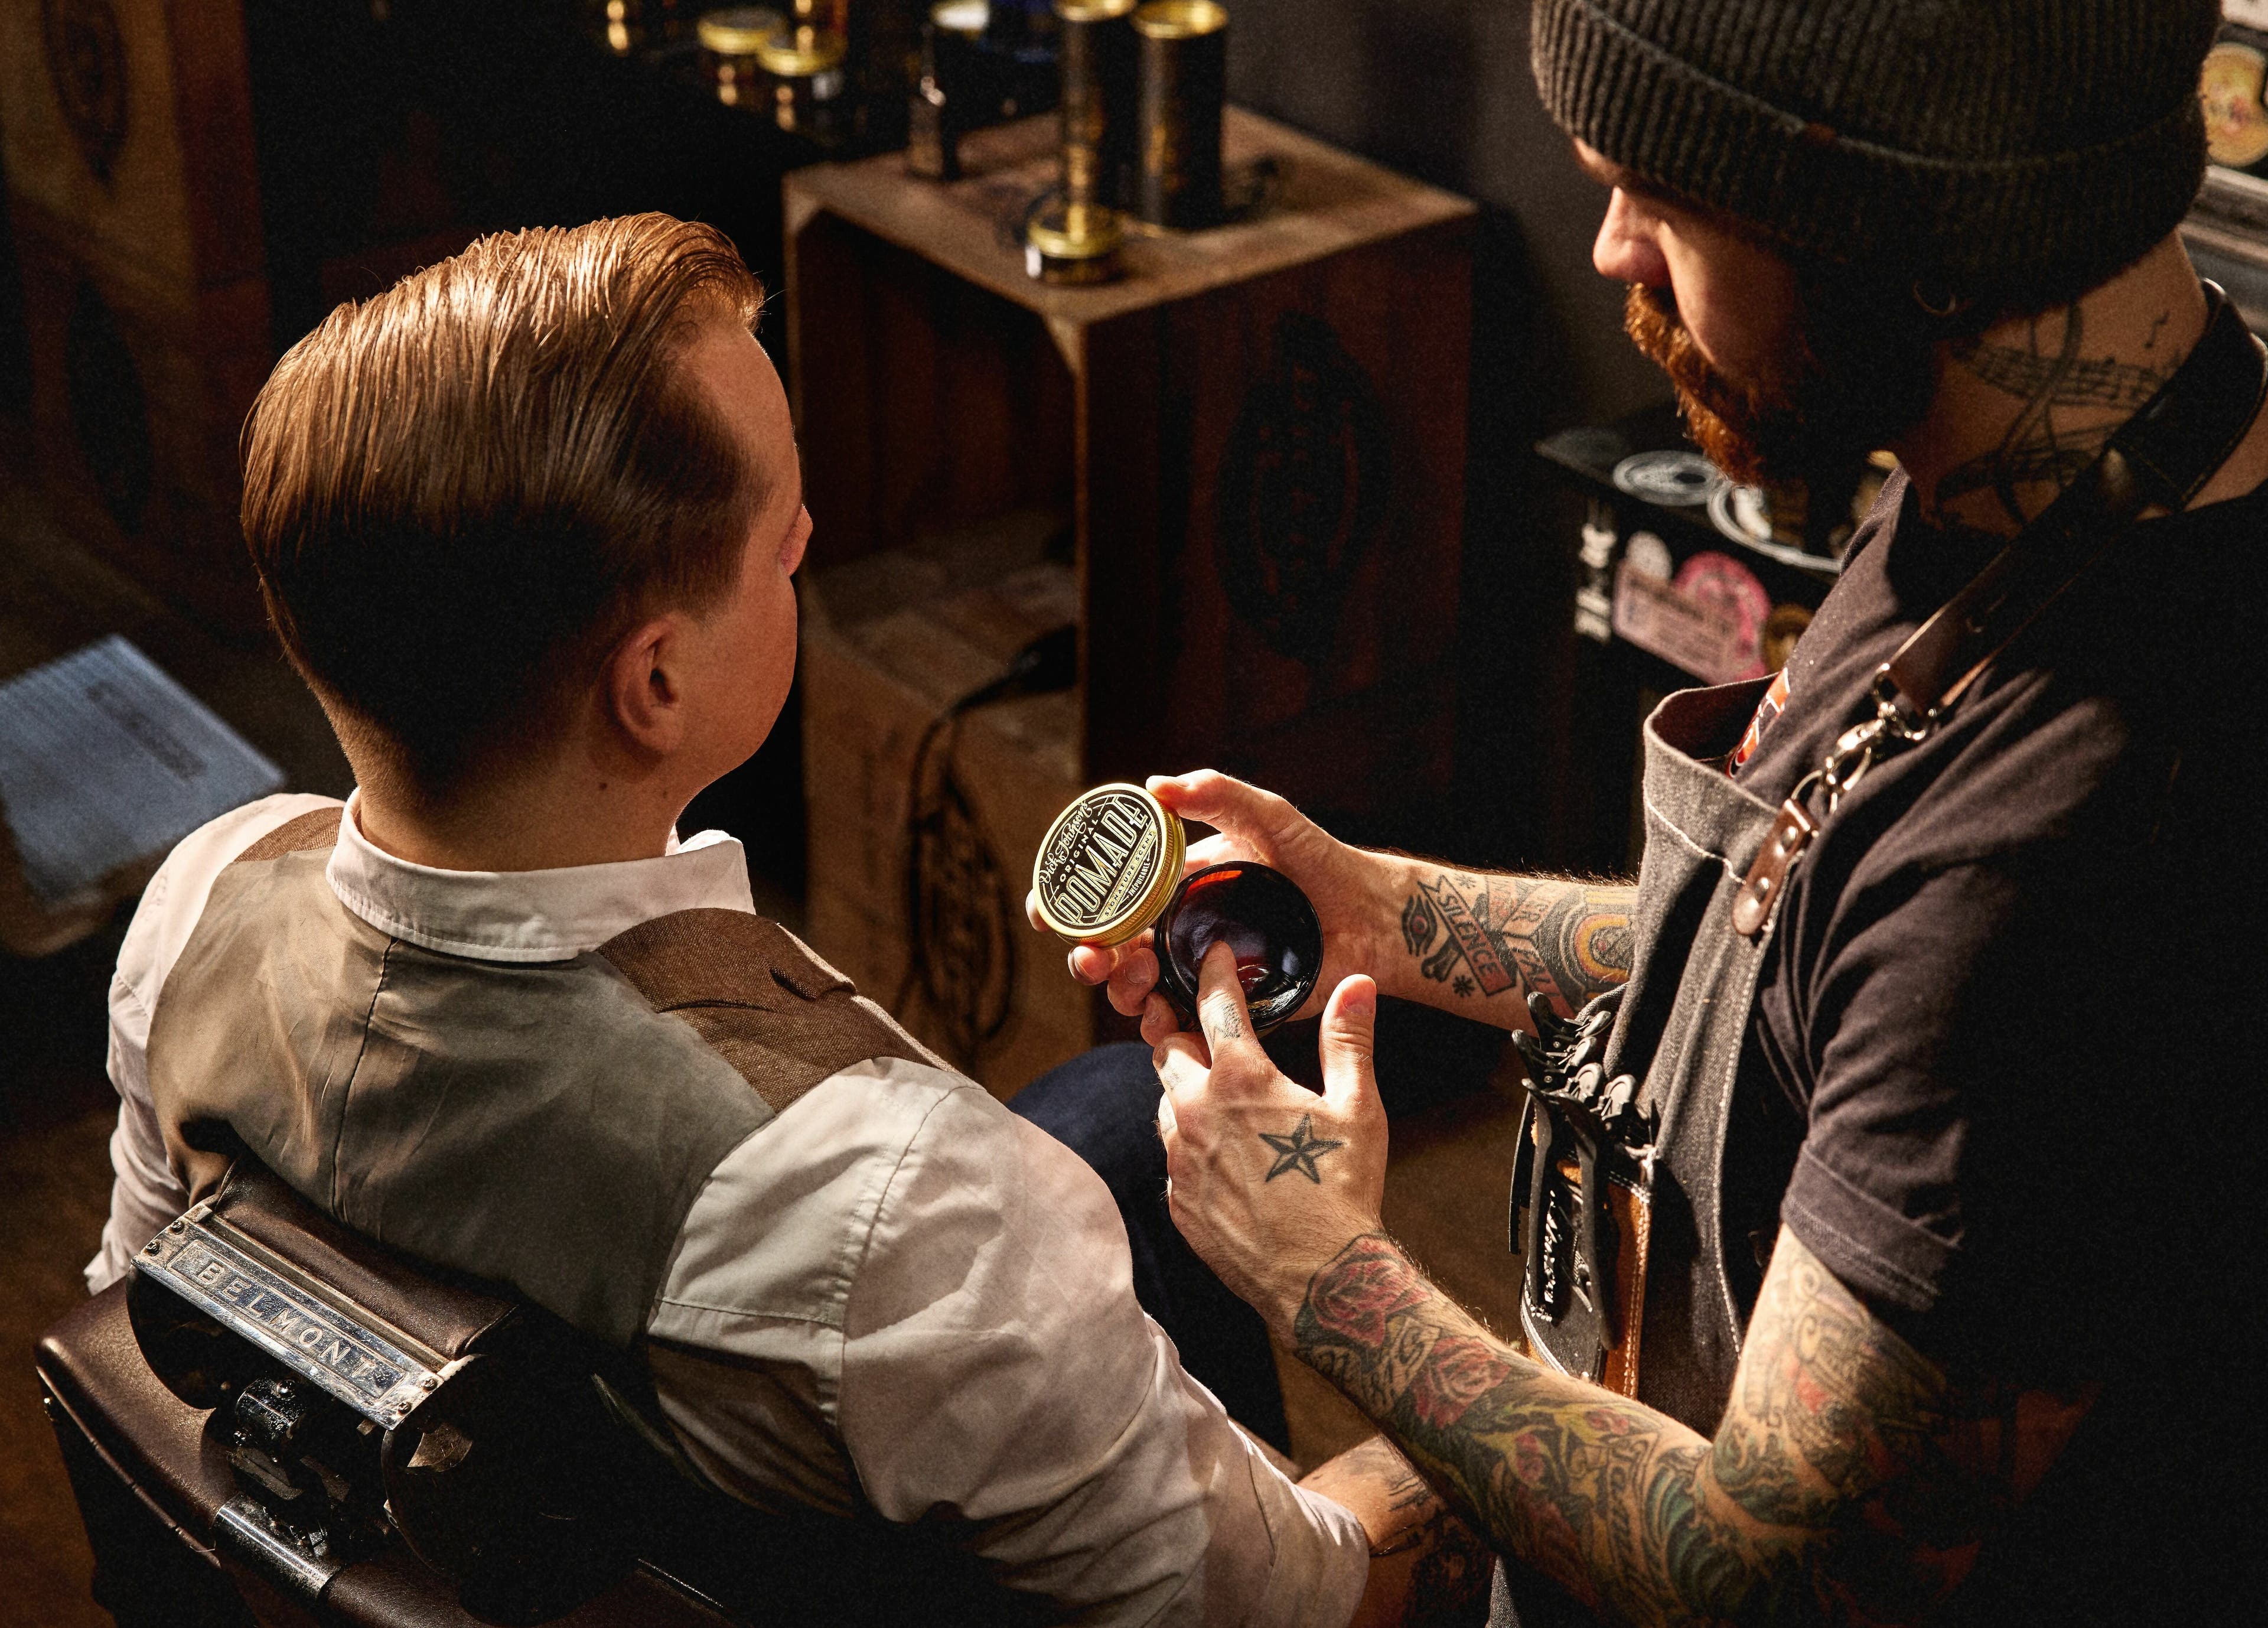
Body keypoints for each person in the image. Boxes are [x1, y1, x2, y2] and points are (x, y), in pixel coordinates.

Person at [83, 214, 1490, 1625]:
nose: (812, 534)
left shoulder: (205, 896)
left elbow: (144, 1342)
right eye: (780, 535)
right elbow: (1304, 1605)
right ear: (658, 683)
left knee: (1130, 1113)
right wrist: (1363, 1293)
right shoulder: (899, 1199)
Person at [1042, 3, 2268, 1622]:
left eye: (1659, 199)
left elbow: (1763, 1568)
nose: (1611, 248)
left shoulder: (2058, 852)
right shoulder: (2051, 457)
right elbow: (1803, 965)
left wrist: (1327, 1280)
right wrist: (1382, 913)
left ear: (1902, 234)